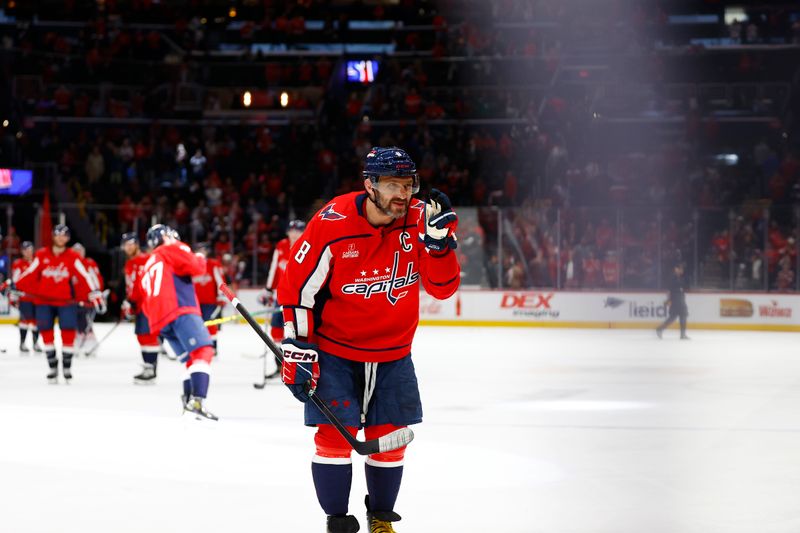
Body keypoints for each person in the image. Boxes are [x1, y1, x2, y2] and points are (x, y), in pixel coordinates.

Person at [277, 147, 460, 533]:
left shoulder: (421, 221)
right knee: (333, 438)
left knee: (390, 438)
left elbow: (443, 290)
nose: (403, 193)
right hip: (336, 351)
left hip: (395, 354)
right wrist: (299, 349)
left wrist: (439, 244)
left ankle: (380, 519)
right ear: (369, 185)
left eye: (408, 185)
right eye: (392, 184)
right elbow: (297, 291)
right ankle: (338, 521)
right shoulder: (332, 222)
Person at [140, 224, 218, 420]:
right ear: (166, 236)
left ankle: (188, 402)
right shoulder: (171, 247)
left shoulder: (149, 262)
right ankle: (197, 401)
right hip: (179, 308)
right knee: (203, 351)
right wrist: (200, 256)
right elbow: (197, 267)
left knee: (189, 359)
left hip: (159, 319)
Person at [13, 225, 105, 383]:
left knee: (68, 333)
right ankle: (52, 366)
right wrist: (14, 285)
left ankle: (67, 366)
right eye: (58, 235)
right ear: (53, 236)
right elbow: (30, 273)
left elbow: (84, 276)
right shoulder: (42, 255)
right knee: (46, 333)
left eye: (64, 235)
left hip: (66, 302)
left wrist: (94, 292)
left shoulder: (72, 257)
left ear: (68, 238)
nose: (61, 238)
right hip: (43, 301)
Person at [258, 219, 306, 379]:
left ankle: (299, 367)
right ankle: (280, 364)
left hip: (300, 295)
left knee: (298, 329)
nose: (293, 234)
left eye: (297, 231)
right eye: (291, 230)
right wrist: (269, 289)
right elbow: (274, 268)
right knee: (276, 327)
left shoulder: (309, 243)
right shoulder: (281, 246)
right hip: (281, 293)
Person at [121, 232, 161, 384]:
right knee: (141, 335)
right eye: (126, 245)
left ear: (137, 244)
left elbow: (147, 283)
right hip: (137, 303)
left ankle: (151, 370)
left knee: (148, 335)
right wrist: (128, 301)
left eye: (131, 244)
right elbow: (131, 285)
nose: (129, 247)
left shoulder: (146, 260)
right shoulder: (129, 263)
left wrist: (135, 299)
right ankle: (148, 367)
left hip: (148, 303)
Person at [192, 242, 227, 356]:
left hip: (210, 302)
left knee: (210, 324)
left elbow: (220, 281)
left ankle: (213, 346)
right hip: (195, 302)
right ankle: (201, 345)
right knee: (196, 324)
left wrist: (221, 296)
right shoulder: (192, 264)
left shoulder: (213, 264)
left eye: (203, 250)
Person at [71, 243, 105, 355]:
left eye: (79, 250)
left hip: (88, 300)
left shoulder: (89, 263)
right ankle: (78, 344)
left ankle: (90, 345)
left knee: (86, 324)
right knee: (76, 324)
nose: (77, 253)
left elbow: (97, 280)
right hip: (74, 301)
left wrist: (97, 295)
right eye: (75, 251)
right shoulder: (70, 264)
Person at [10, 241, 41, 354]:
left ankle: (35, 343)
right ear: (22, 251)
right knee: (24, 321)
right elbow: (15, 280)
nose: (28, 252)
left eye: (30, 249)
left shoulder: (37, 263)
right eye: (25, 250)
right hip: (24, 298)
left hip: (37, 297)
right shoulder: (18, 263)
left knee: (37, 322)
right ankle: (22, 343)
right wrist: (14, 296)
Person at [656, 262, 689, 340]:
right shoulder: (672, 277)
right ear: (676, 269)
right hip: (676, 299)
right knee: (680, 315)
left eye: (682, 269)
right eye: (680, 269)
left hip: (680, 298)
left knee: (676, 316)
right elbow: (669, 290)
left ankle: (661, 329)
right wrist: (669, 299)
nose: (682, 270)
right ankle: (682, 334)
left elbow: (684, 287)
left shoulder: (680, 278)